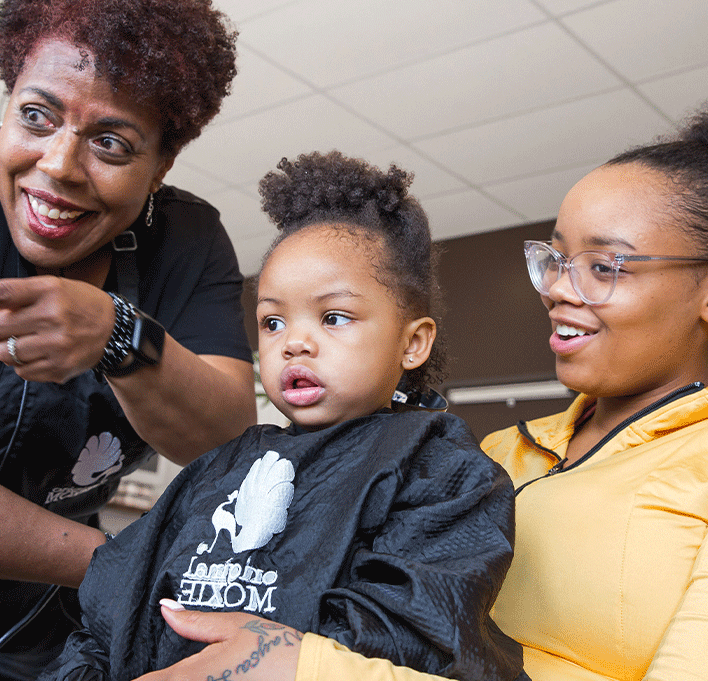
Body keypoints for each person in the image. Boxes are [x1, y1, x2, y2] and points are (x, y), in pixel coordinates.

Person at [133, 112, 708, 681]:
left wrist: (306, 666)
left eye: (604, 266)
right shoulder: (495, 453)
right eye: (555, 260)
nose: (557, 288)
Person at [39, 151, 526, 681]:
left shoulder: (443, 471)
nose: (294, 342)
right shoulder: (224, 465)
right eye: (272, 321)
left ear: (413, 344)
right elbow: (115, 601)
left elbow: (414, 631)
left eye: (334, 317)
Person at [0, 0, 256, 679]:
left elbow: (228, 441)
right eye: (35, 115)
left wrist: (124, 338)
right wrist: (129, 566)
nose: (57, 167)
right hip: (84, 567)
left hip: (47, 626)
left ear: (162, 165)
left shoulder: (187, 243)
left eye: (110, 143)